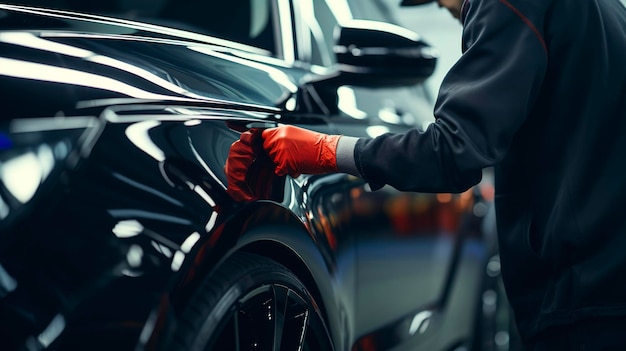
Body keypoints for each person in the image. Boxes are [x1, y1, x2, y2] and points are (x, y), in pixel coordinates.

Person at [226, 0, 626, 349]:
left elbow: (453, 150)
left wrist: (328, 149)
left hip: (585, 299)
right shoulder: (607, 9)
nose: (445, 9)